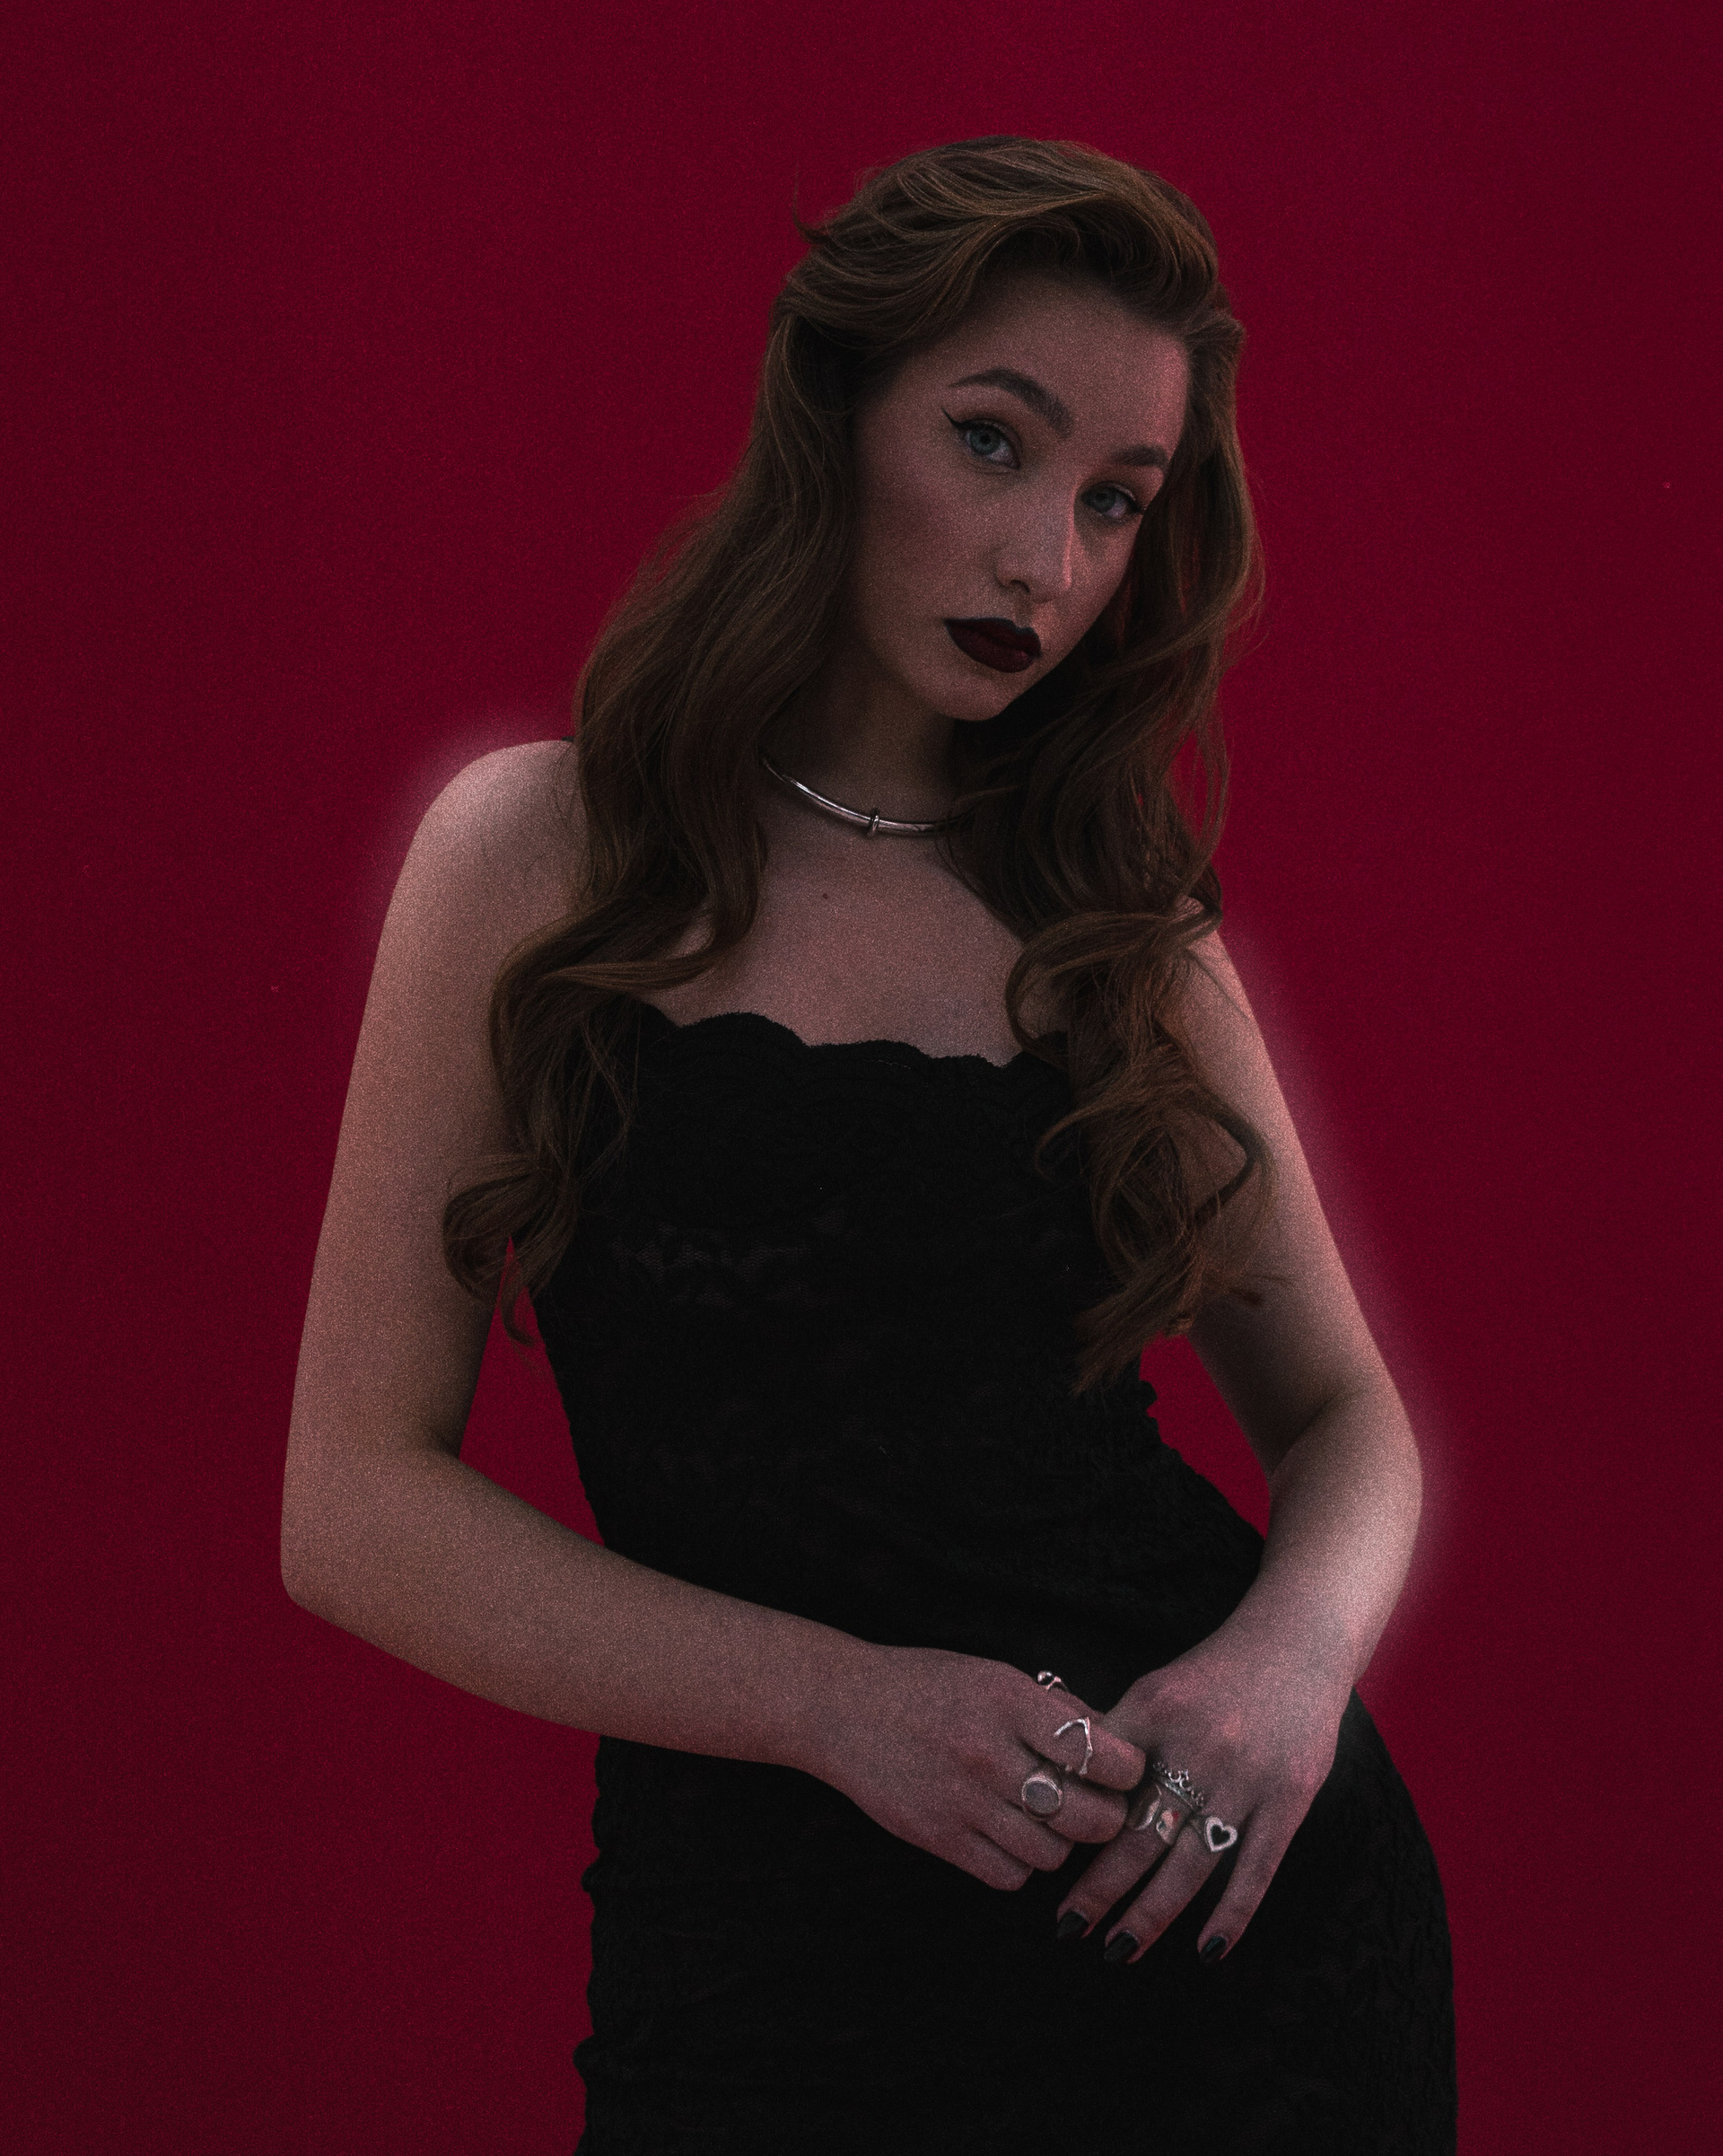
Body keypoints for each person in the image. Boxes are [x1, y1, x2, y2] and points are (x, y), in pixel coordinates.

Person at [281, 136, 1457, 2152]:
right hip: (763, 1977)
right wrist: (835, 1702)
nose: (1046, 564)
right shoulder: (540, 858)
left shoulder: (1119, 937)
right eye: (992, 444)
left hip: (1222, 1971)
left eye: (1115, 499)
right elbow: (351, 1509)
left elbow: (1354, 1422)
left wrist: (1286, 1668)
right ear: (834, 415)